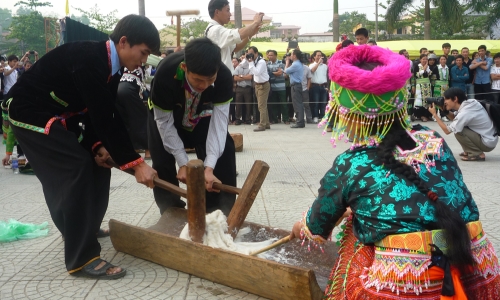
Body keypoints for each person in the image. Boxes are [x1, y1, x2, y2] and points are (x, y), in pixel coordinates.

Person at [289, 45, 500, 299]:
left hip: (412, 285)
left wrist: (300, 228)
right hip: (479, 270)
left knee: (352, 234)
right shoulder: (433, 139)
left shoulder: (350, 163)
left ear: (350, 116)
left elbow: (316, 229)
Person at [6, 14, 159, 279]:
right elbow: (105, 116)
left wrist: (98, 145)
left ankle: (85, 227)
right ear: (124, 42)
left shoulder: (113, 67)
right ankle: (82, 257)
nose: (144, 61)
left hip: (59, 114)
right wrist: (136, 163)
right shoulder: (90, 58)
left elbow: (96, 112)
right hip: (28, 111)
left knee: (98, 163)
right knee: (74, 167)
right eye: (143, 53)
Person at [147, 37, 236, 216]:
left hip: (201, 115)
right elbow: (164, 123)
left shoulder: (224, 77)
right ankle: (171, 211)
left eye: (210, 79)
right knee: (163, 160)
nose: (203, 85)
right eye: (197, 80)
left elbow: (219, 124)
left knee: (224, 150)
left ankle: (216, 212)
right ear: (185, 68)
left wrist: (208, 167)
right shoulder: (166, 72)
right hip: (168, 117)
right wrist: (183, 162)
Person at [429, 87, 498, 161]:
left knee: (458, 131)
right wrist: (445, 111)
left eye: (446, 99)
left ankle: (477, 154)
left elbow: (447, 131)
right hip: (489, 138)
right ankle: (469, 150)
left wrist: (435, 115)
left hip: (487, 143)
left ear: (455, 99)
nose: (444, 102)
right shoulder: (470, 103)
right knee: (459, 126)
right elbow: (455, 118)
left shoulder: (465, 112)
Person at [206, 0, 263, 71]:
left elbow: (236, 48)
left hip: (223, 76)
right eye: (227, 10)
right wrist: (255, 23)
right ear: (217, 12)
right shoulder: (215, 30)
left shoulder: (218, 30)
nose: (230, 14)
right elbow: (238, 34)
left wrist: (250, 34)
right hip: (220, 77)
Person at [115, 67, 150, 159]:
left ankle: (131, 149)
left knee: (125, 120)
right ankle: (148, 151)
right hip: (128, 90)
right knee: (140, 119)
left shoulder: (124, 62)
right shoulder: (139, 60)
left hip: (117, 89)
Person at [244, 46, 270, 132]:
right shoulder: (254, 61)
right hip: (257, 85)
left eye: (251, 53)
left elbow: (257, 72)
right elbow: (248, 69)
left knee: (261, 106)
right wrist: (247, 60)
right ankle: (266, 123)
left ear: (256, 53)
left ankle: (262, 125)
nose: (249, 55)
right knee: (263, 106)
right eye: (248, 53)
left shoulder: (261, 62)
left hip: (263, 85)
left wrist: (250, 63)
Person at [266, 50, 288, 124]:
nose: (270, 57)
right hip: (272, 87)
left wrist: (271, 73)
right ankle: (275, 119)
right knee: (274, 104)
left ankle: (285, 119)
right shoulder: (267, 64)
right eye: (269, 55)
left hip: (281, 87)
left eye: (271, 55)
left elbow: (280, 73)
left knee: (283, 103)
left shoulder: (281, 63)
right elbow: (267, 73)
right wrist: (274, 72)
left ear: (276, 55)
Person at [284, 49, 305, 128]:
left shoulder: (295, 64)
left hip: (295, 85)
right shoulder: (298, 63)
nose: (290, 56)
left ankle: (300, 122)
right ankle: (300, 120)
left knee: (297, 104)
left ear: (295, 56)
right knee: (298, 103)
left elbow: (286, 71)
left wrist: (286, 63)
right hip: (297, 85)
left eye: (291, 54)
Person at [411, 53, 434, 122]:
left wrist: (427, 68)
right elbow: (416, 75)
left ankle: (427, 114)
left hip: (427, 85)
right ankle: (420, 115)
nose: (424, 60)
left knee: (427, 100)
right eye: (423, 59)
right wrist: (423, 69)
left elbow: (430, 74)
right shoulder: (417, 66)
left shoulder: (428, 66)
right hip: (419, 85)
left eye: (426, 59)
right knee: (420, 100)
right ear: (420, 60)